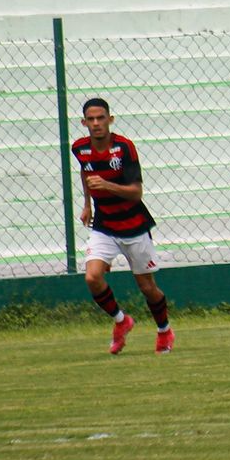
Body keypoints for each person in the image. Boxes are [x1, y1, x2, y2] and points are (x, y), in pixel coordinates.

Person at [71, 97, 174, 355]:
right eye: (91, 119)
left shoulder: (124, 148)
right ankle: (122, 321)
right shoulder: (79, 148)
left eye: (101, 118)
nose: (96, 124)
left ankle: (164, 330)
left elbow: (136, 192)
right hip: (104, 226)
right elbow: (87, 172)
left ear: (110, 119)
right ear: (84, 123)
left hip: (134, 226)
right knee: (92, 277)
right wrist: (87, 205)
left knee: (147, 287)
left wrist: (107, 186)